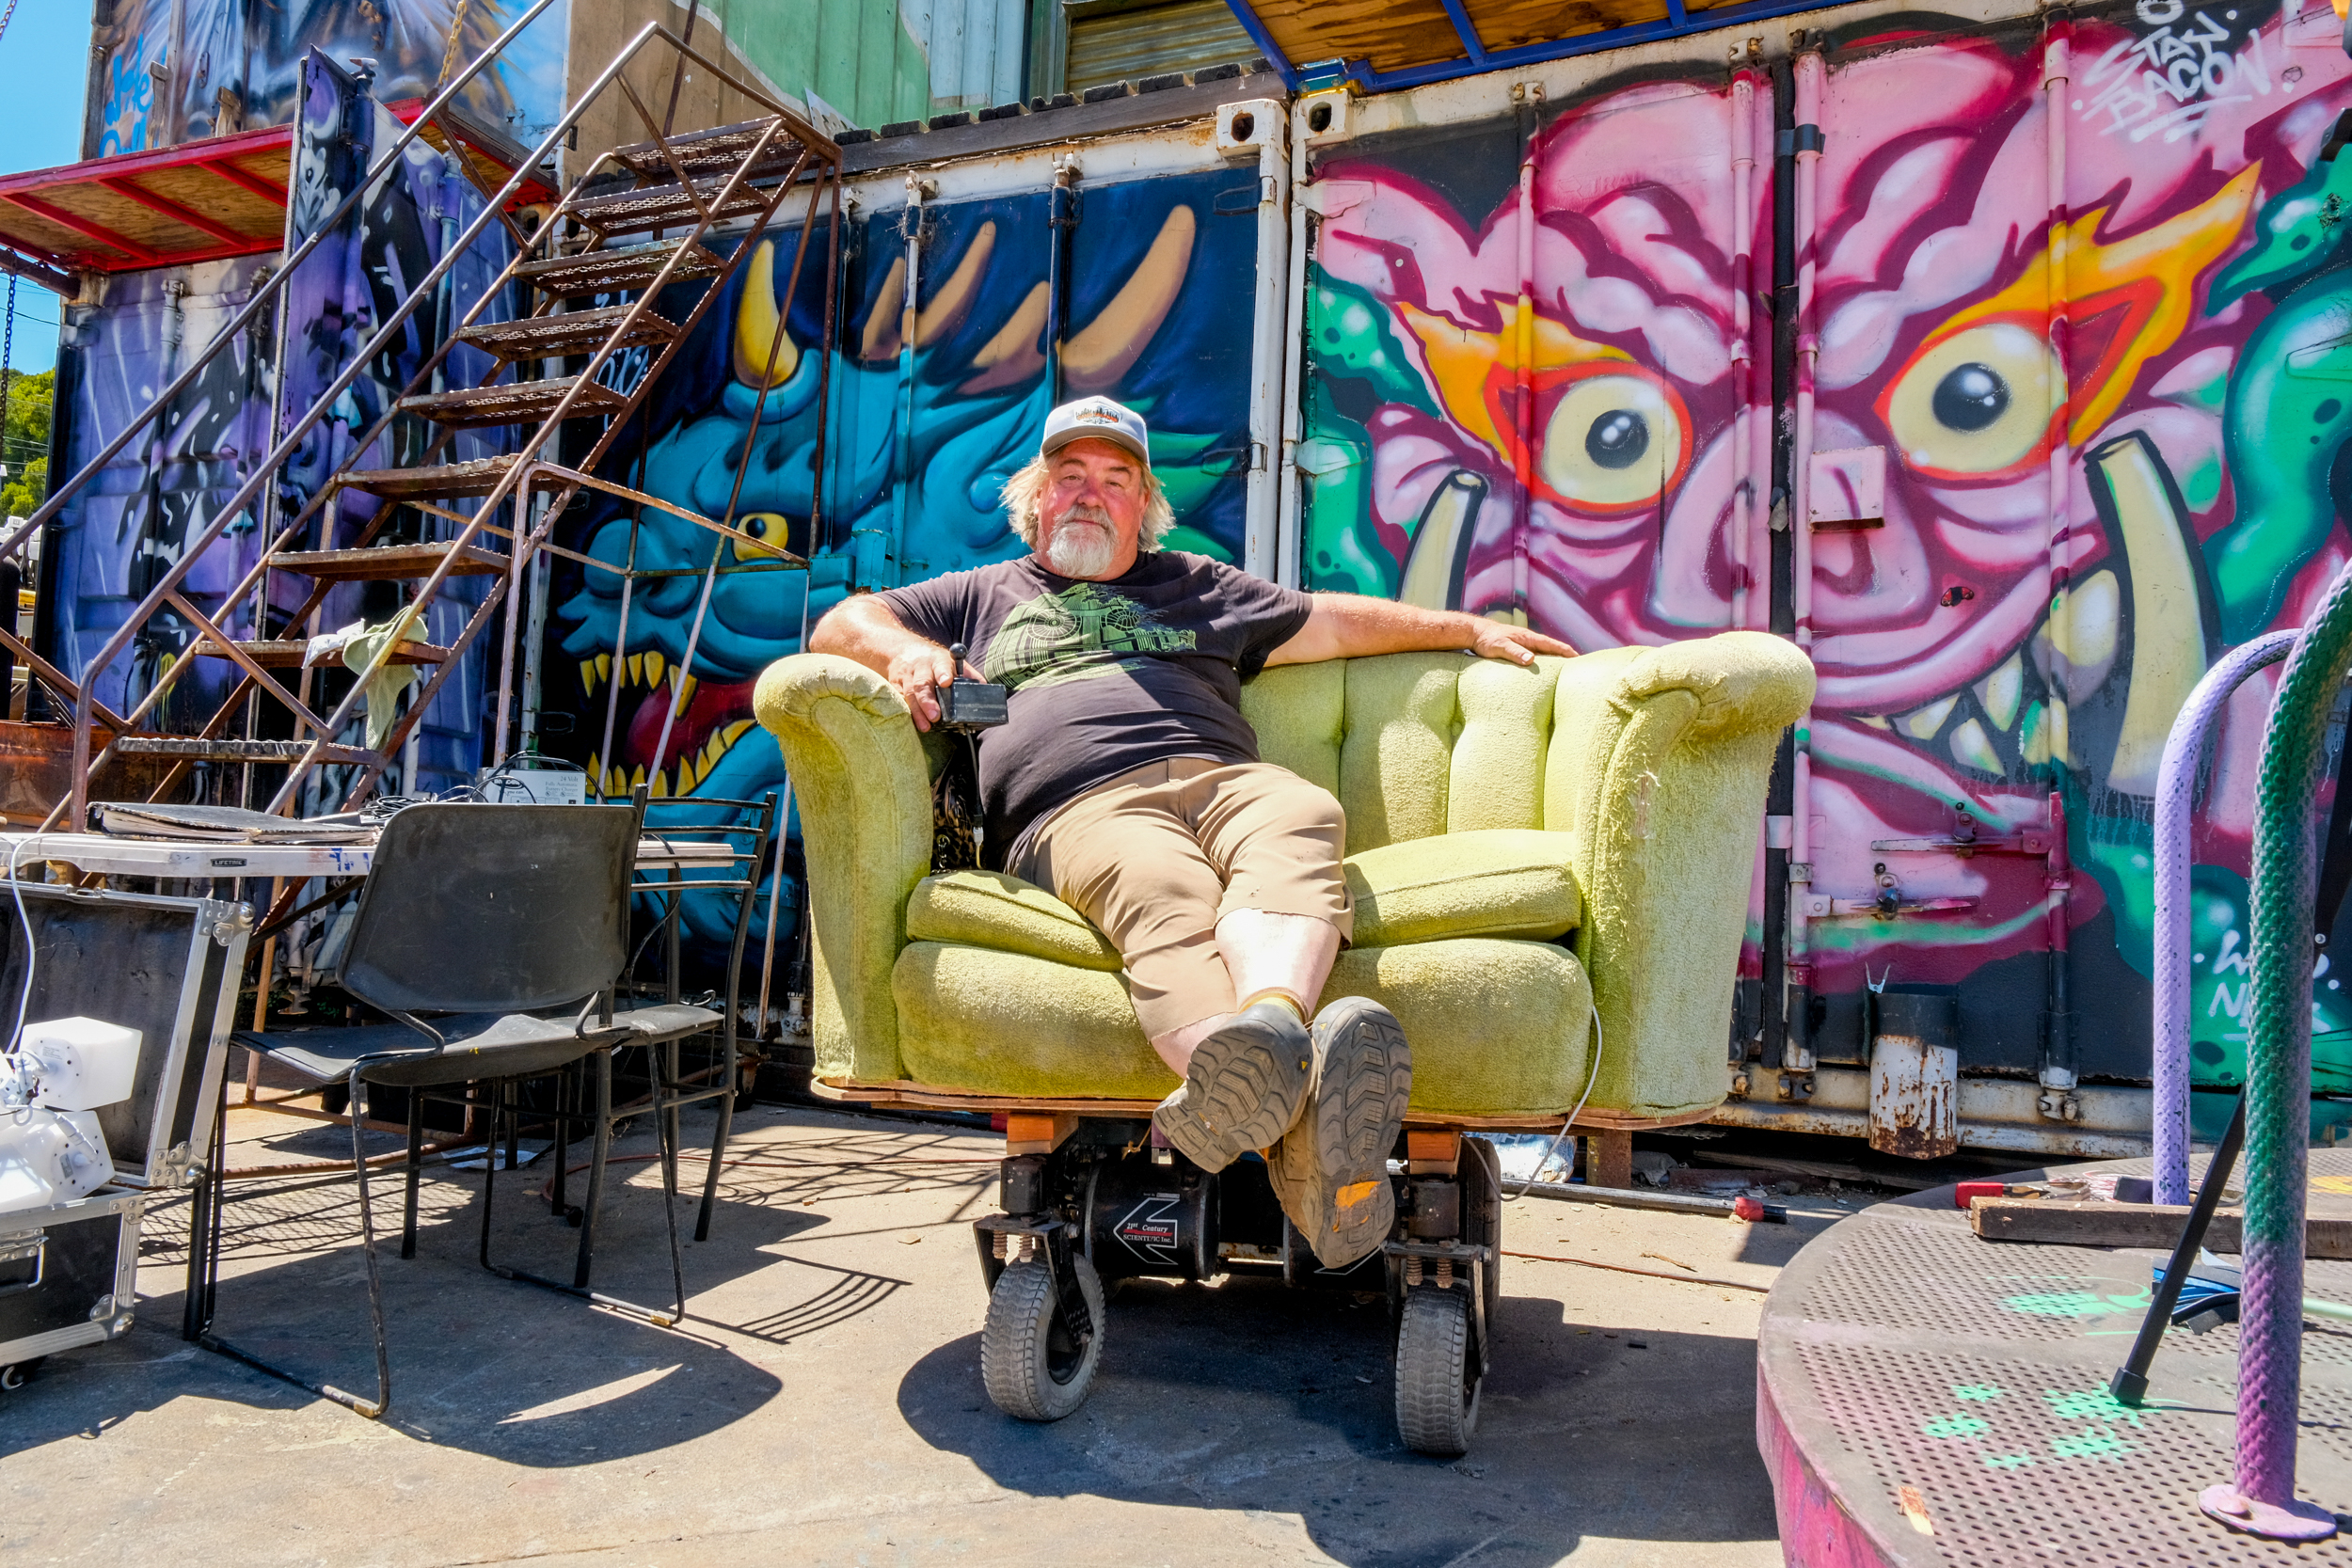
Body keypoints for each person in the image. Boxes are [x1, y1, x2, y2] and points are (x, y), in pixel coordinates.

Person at [809, 396, 1571, 1265]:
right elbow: (841, 623)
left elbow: (1332, 620)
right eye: (1070, 477)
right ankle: (1308, 1142)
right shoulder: (979, 595)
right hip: (1081, 808)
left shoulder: (1201, 584)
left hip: (1226, 778)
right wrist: (902, 653)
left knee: (1300, 814)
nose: (1090, 495)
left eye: (1115, 479)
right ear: (1036, 500)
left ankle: (1274, 1032)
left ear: (1145, 505)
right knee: (1160, 886)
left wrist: (1471, 628)